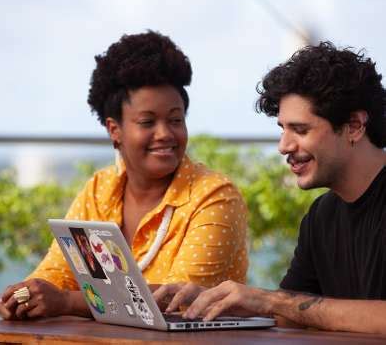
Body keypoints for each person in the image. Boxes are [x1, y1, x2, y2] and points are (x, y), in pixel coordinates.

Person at [0, 31, 248, 320]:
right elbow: (55, 273)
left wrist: (67, 302)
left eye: (175, 120)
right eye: (147, 122)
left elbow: (178, 301)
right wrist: (24, 296)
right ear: (114, 130)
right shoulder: (98, 191)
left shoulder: (215, 197)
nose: (165, 133)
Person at [155, 41, 386, 334]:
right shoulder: (321, 216)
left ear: (354, 126)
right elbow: (291, 312)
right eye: (283, 129)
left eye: (301, 130)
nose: (283, 146)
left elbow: (285, 304)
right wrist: (216, 299)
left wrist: (273, 301)